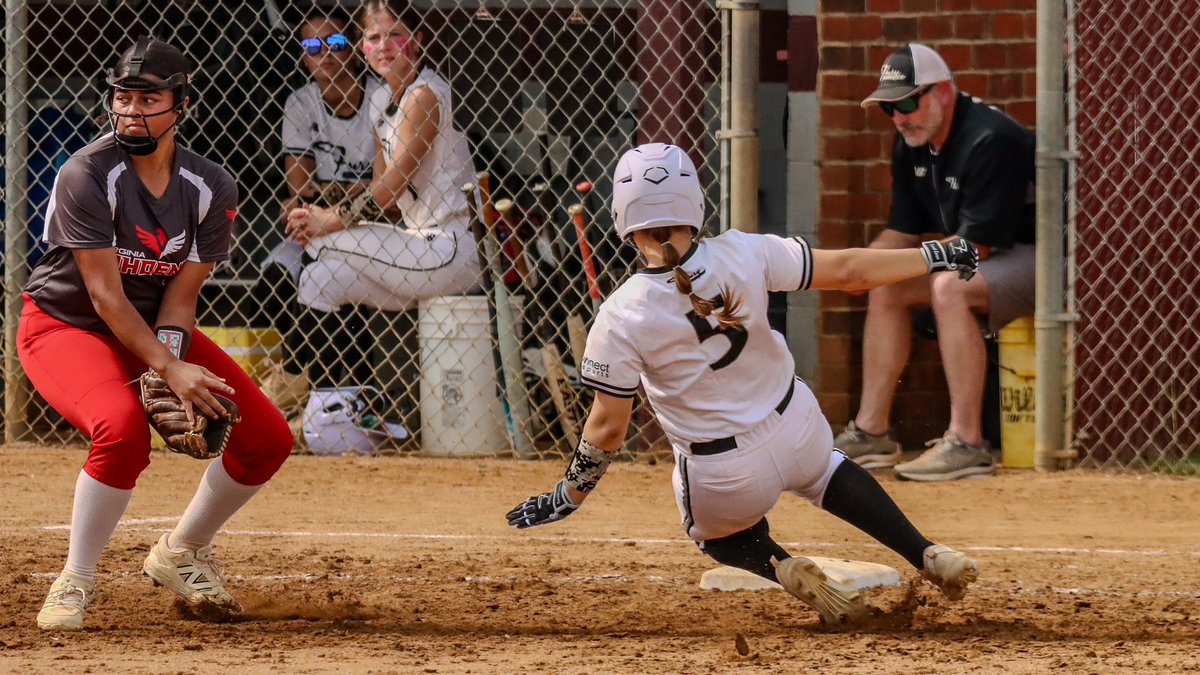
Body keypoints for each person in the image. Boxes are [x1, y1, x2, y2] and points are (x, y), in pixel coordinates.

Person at [506, 143, 981, 626]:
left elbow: (607, 428)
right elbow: (850, 272)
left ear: (622, 218)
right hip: (796, 427)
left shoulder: (619, 314)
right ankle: (927, 553)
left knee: (716, 537)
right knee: (825, 472)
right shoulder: (744, 251)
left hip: (722, 473)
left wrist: (571, 493)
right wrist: (933, 254)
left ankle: (781, 565)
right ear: (695, 203)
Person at [17, 36, 293, 631]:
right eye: (123, 98)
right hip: (65, 326)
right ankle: (76, 579)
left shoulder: (210, 185)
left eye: (148, 99)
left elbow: (180, 296)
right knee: (120, 431)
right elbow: (104, 295)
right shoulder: (86, 173)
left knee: (267, 439)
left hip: (147, 329)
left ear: (180, 106)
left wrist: (169, 363)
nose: (132, 110)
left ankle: (182, 550)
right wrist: (167, 371)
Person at [837, 43, 1036, 481]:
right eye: (890, 108)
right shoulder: (913, 140)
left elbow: (974, 248)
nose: (900, 117)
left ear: (944, 92)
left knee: (950, 286)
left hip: (1044, 263)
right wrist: (848, 269)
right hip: (987, 256)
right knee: (886, 285)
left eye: (908, 101)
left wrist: (892, 265)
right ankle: (872, 433)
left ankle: (968, 443)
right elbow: (903, 231)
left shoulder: (990, 138)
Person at [279, 0, 481, 416]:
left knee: (319, 246)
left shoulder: (424, 95)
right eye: (373, 37)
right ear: (363, 47)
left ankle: (290, 376)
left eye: (395, 35)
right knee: (320, 280)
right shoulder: (380, 101)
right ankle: (338, 406)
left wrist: (328, 221)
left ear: (417, 41)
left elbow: (390, 189)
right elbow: (376, 189)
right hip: (413, 245)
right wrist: (319, 214)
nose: (384, 46)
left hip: (449, 248)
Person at [257, 6, 382, 415]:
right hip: (318, 227)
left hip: (375, 225)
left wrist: (331, 194)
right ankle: (312, 380)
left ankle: (301, 374)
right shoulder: (301, 103)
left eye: (336, 43)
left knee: (330, 274)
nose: (324, 53)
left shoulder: (381, 96)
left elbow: (389, 193)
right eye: (312, 45)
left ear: (356, 49)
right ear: (301, 55)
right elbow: (299, 192)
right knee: (276, 274)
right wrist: (350, 191)